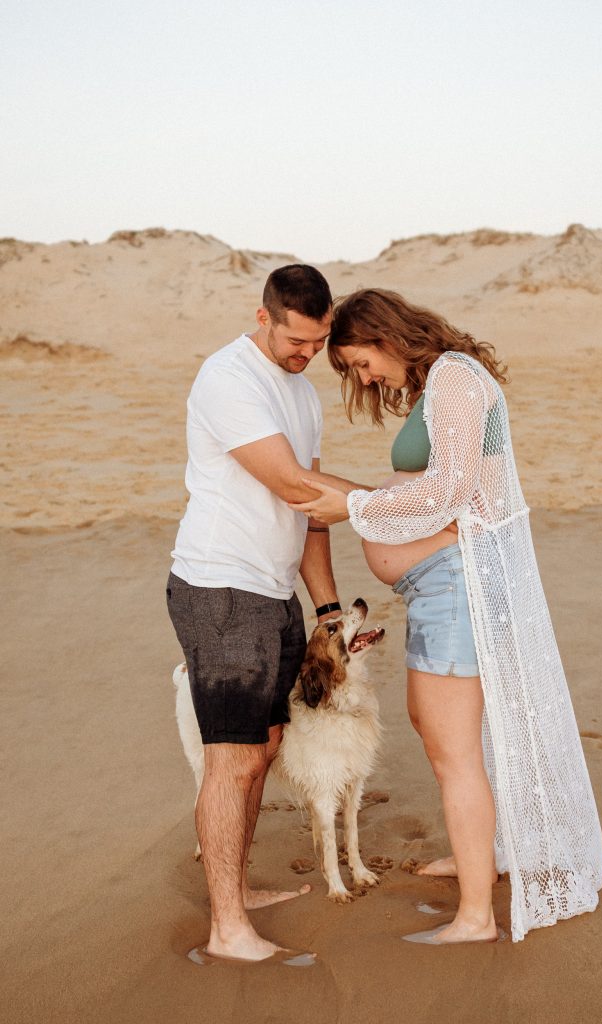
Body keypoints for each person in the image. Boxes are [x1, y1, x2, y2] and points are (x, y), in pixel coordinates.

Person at [291, 288, 602, 944]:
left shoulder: (457, 378)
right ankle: (479, 859)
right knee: (439, 730)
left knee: (453, 753)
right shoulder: (440, 383)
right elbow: (439, 490)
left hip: (455, 588)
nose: (363, 379)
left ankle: (474, 917)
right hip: (437, 588)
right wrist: (362, 500)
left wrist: (353, 508)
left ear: (384, 336)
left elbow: (451, 490)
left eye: (359, 363)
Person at [166, 265, 363, 962]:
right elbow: (291, 482)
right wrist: (397, 506)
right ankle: (227, 930)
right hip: (221, 587)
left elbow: (312, 515)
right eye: (295, 340)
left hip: (274, 592)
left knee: (267, 747)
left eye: (318, 342)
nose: (307, 354)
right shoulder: (229, 379)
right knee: (235, 759)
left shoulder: (301, 393)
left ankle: (237, 890)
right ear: (263, 317)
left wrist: (327, 608)